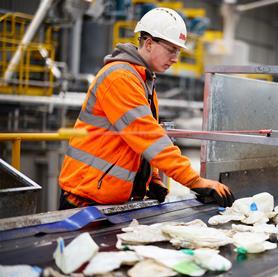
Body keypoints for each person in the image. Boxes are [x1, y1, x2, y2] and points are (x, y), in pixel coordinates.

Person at [58, 8, 234, 209]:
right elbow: (148, 136)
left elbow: (139, 141)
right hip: (84, 200)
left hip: (106, 198)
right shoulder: (120, 78)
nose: (176, 58)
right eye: (171, 50)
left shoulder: (142, 79)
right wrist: (194, 180)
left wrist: (152, 179)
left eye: (178, 51)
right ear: (149, 43)